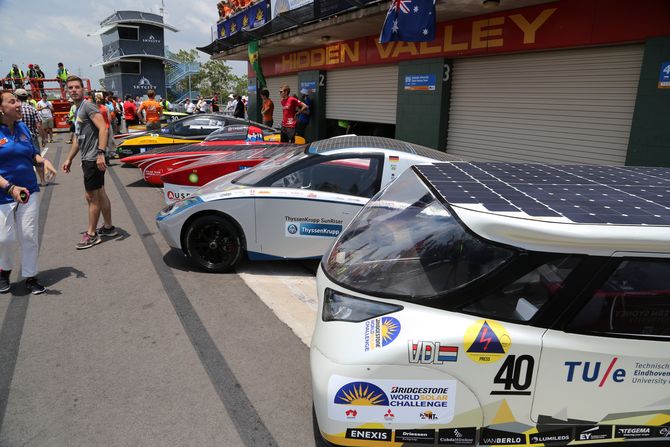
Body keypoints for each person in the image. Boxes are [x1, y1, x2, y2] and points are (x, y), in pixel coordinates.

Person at [0, 89, 57, 294]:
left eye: (18, 101)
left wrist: (45, 160)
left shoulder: (23, 127)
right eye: (12, 101)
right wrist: (10, 188)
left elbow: (33, 155)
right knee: (4, 239)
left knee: (28, 235)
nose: (18, 105)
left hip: (29, 191)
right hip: (3, 194)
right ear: (1, 108)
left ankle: (30, 277)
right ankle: (4, 270)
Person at [61, 75, 117, 250]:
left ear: (83, 89)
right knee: (100, 193)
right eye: (70, 88)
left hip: (94, 158)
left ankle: (91, 234)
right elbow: (78, 138)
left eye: (77, 87)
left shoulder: (88, 106)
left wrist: (100, 153)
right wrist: (69, 158)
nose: (74, 90)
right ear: (66, 91)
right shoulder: (78, 110)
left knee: (91, 197)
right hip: (88, 158)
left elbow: (103, 127)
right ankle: (108, 227)